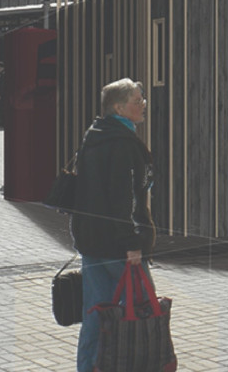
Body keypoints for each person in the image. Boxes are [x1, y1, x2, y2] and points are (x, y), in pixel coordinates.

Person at [71, 78, 156, 372]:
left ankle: (89, 368)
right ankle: (141, 364)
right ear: (119, 107)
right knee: (145, 311)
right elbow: (126, 199)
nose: (143, 103)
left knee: (95, 313)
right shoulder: (124, 143)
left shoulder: (94, 136)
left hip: (91, 241)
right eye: (137, 99)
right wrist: (133, 244)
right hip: (119, 246)